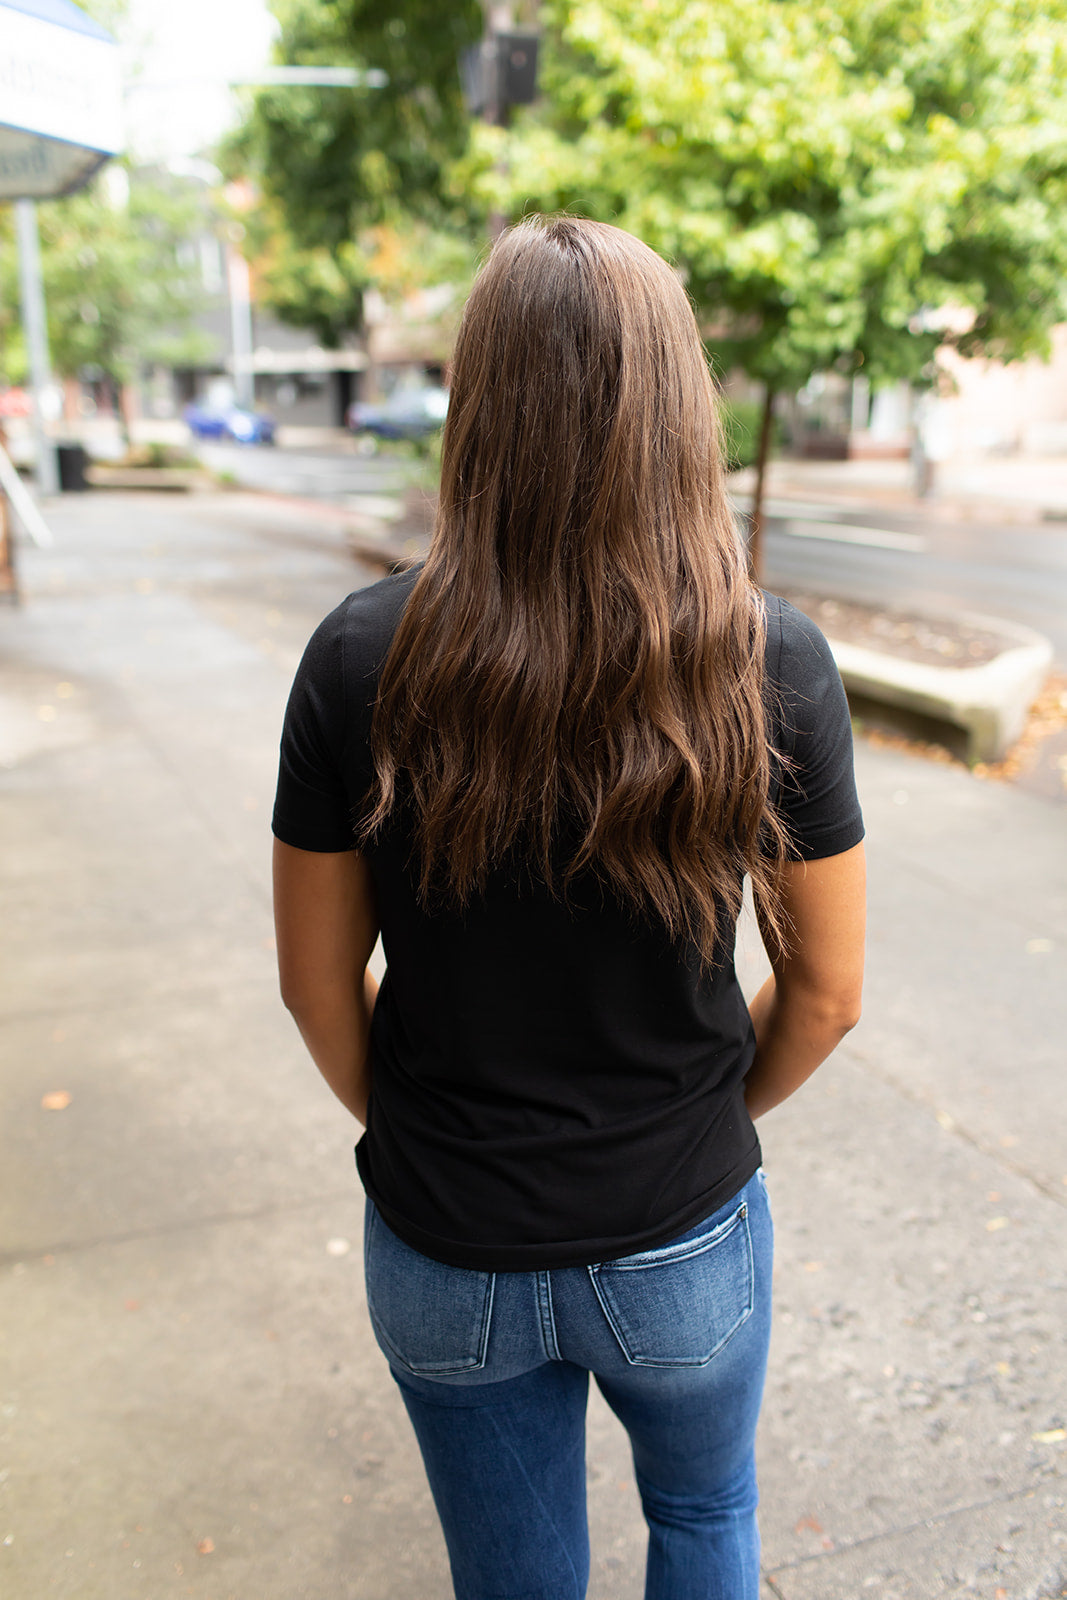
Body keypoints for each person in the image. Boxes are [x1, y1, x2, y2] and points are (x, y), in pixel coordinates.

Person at [272, 215, 866, 1600]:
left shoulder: (359, 658)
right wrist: (703, 1121)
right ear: (680, 408)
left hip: (444, 1242)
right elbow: (829, 995)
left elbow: (314, 986)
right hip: (682, 1237)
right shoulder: (766, 660)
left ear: (479, 407)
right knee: (707, 1517)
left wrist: (434, 1131)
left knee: (514, 1581)